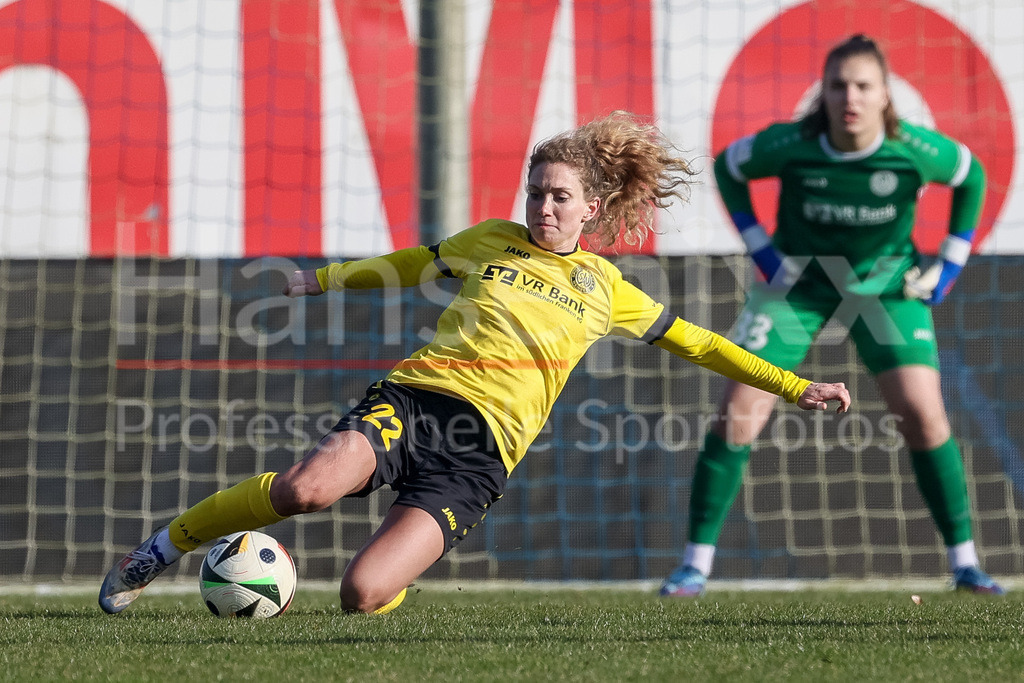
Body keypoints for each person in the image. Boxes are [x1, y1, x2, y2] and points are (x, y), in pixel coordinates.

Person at [99, 111, 850, 615]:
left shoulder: (606, 288)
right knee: (305, 489)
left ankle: (391, 570)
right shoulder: (492, 239)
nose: (543, 207)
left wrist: (794, 384)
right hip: (418, 397)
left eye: (559, 197)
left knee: (362, 594)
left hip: (480, 457)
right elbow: (408, 263)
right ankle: (162, 547)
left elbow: (701, 343)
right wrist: (320, 279)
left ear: (592, 207)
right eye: (535, 192)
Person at [660, 35, 1002, 598]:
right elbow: (728, 167)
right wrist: (761, 250)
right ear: (823, 91)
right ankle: (694, 565)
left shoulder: (916, 149)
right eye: (839, 84)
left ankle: (965, 563)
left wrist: (949, 267)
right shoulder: (792, 144)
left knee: (922, 413)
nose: (851, 97)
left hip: (885, 291)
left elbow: (972, 178)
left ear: (885, 95)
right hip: (798, 288)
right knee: (740, 411)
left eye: (864, 85)